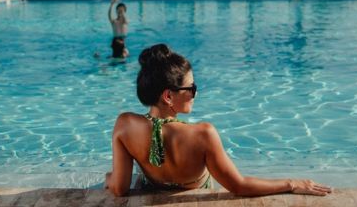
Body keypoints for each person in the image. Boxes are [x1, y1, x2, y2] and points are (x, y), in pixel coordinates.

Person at [105, 44, 332, 197]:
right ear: (168, 96)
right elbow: (239, 186)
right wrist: (291, 184)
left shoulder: (125, 125)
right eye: (191, 88)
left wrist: (110, 178)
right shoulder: (203, 134)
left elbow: (119, 189)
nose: (196, 93)